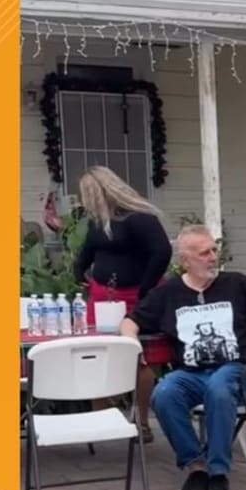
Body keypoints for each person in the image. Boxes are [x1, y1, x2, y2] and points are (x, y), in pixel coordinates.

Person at [121, 225, 246, 490]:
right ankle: (196, 467)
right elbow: (130, 322)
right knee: (163, 393)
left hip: (237, 370)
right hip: (190, 374)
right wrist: (132, 345)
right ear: (185, 260)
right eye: (204, 253)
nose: (213, 257)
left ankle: (218, 474)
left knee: (219, 386)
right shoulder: (169, 292)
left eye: (214, 250)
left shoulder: (236, 284)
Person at [72, 165, 173, 442]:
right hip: (103, 296)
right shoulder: (98, 221)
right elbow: (89, 250)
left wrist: (146, 289)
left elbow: (162, 252)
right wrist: (78, 270)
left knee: (138, 358)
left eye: (88, 194)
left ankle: (141, 421)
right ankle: (101, 419)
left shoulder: (139, 217)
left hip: (135, 296)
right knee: (95, 355)